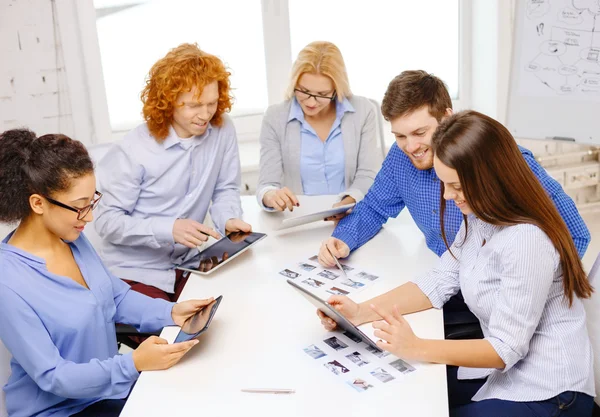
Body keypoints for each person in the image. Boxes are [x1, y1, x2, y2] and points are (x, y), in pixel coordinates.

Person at [317, 111, 595, 416]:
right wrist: (359, 312)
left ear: (491, 178)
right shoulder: (479, 217)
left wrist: (417, 345)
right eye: (445, 184)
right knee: (409, 391)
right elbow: (439, 280)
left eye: (458, 187)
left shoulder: (527, 240)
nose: (448, 196)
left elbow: (505, 349)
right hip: (506, 374)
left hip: (552, 393)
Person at [0, 129, 213, 417]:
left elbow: (116, 296)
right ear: (38, 203)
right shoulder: (8, 282)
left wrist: (171, 313)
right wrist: (133, 363)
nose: (89, 217)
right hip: (60, 411)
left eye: (91, 202)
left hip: (107, 394)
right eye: (79, 207)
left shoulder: (72, 238)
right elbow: (53, 375)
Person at [317, 70, 590, 265]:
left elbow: (575, 235)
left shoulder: (507, 161)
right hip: (445, 276)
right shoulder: (401, 159)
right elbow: (374, 208)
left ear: (447, 117)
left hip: (501, 293)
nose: (410, 147)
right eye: (400, 136)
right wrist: (343, 240)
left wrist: (531, 287)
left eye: (419, 132)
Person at [95, 43, 251, 302]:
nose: (205, 114)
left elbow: (225, 189)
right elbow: (106, 221)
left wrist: (228, 220)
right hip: (134, 273)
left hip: (188, 264)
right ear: (168, 102)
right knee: (174, 334)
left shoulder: (222, 131)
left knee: (233, 315)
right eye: (194, 105)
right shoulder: (134, 149)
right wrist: (167, 229)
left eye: (212, 103)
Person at [256, 41, 380, 218]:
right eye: (304, 91)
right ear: (294, 83)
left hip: (350, 216)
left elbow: (367, 174)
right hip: (298, 219)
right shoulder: (275, 117)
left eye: (322, 95)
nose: (311, 102)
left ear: (337, 89)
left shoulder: (363, 111)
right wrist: (271, 196)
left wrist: (347, 202)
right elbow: (266, 184)